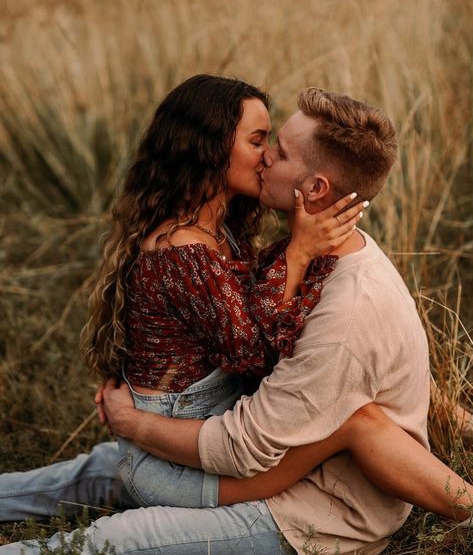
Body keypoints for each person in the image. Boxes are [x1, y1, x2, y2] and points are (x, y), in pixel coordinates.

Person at [1, 86, 472, 555]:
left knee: (122, 537)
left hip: (317, 508)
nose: (267, 158)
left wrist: (134, 424)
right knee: (108, 471)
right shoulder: (318, 254)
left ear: (316, 188)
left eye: (279, 150)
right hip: (270, 454)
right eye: (260, 142)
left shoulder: (344, 313)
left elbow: (244, 444)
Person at [82, 73, 361, 509]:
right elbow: (253, 354)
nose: (268, 156)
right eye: (257, 141)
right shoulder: (183, 251)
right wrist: (300, 253)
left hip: (189, 426)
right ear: (210, 148)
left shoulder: (216, 229)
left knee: (79, 477)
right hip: (175, 456)